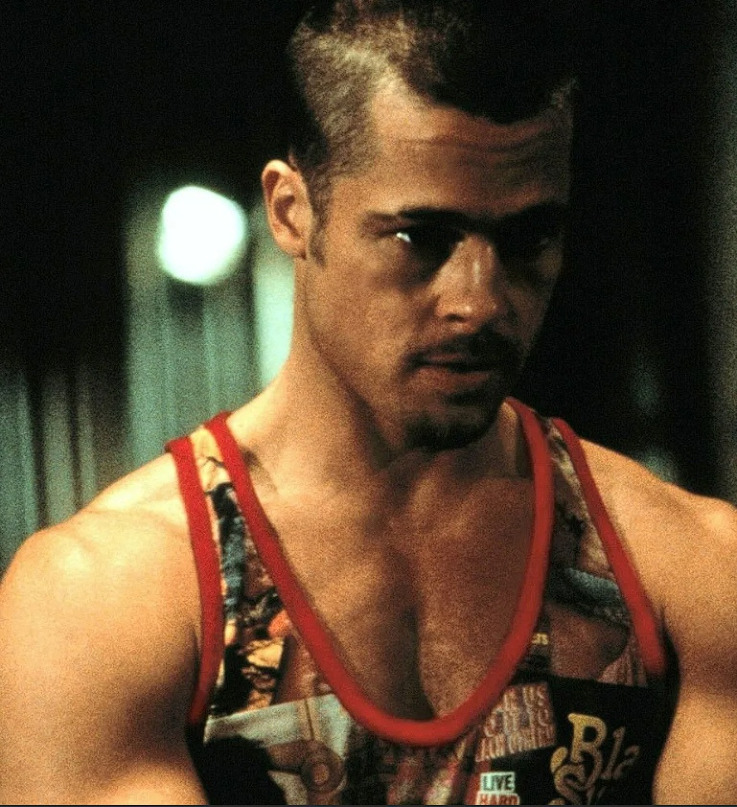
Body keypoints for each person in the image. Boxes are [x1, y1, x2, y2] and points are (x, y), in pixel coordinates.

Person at [1, 1, 736, 804]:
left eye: (527, 238)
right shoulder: (107, 598)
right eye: (420, 237)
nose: (479, 301)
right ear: (291, 212)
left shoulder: (688, 571)